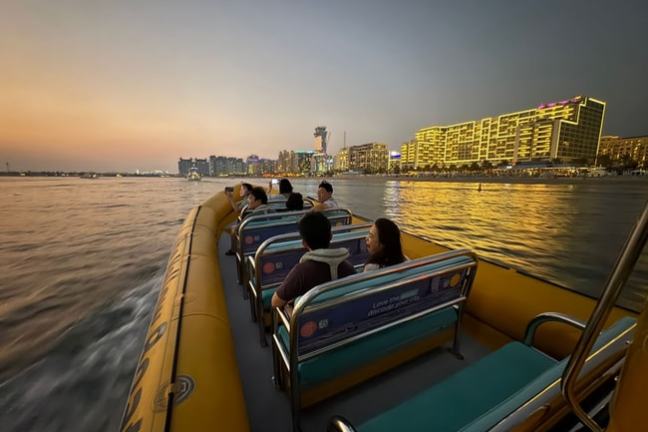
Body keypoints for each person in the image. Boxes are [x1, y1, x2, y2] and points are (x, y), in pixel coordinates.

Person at [271, 212, 355, 309]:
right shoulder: (346, 266)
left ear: (304, 243)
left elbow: (275, 302)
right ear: (331, 236)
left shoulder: (301, 272)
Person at [225, 186, 273, 256]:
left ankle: (233, 250)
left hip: (253, 248)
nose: (248, 200)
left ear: (258, 201)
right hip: (268, 245)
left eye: (250, 198)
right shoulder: (273, 212)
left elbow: (237, 229)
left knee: (233, 230)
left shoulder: (250, 218)